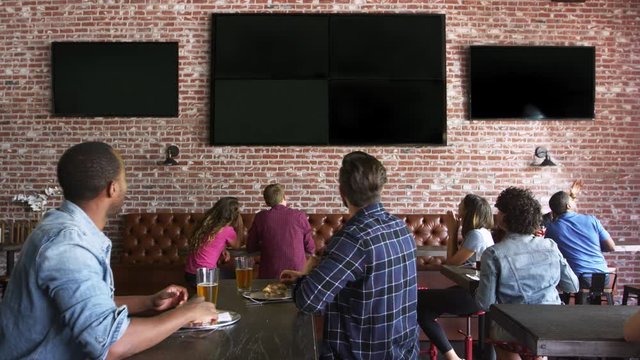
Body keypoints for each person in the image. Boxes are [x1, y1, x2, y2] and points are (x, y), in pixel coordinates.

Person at [0, 142, 217, 360]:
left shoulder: (64, 227)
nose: (126, 186)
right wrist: (186, 313)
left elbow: (86, 307)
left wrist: (149, 301)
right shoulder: (69, 245)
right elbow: (111, 344)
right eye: (125, 180)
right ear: (112, 188)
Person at [280, 151, 419, 359]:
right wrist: (313, 273)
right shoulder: (400, 227)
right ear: (380, 188)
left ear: (341, 192)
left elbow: (308, 301)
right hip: (404, 353)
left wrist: (305, 278)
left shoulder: (352, 239)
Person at [476, 187, 579, 360]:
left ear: (505, 218)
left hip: (513, 329)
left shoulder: (494, 253)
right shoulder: (550, 246)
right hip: (551, 326)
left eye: (499, 211)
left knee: (500, 329)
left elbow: (485, 304)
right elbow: (573, 285)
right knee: (539, 343)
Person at [417, 194, 494, 360]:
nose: (458, 211)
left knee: (415, 297)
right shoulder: (483, 233)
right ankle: (454, 358)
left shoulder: (476, 235)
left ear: (469, 213)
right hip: (473, 291)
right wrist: (453, 231)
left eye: (461, 208)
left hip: (474, 296)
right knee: (424, 312)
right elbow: (452, 262)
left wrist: (452, 231)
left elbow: (451, 264)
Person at [544, 182, 616, 292]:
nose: (574, 202)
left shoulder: (552, 228)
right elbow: (611, 247)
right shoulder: (592, 220)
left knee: (552, 280)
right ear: (568, 205)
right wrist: (591, 247)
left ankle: (560, 307)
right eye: (572, 201)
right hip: (604, 277)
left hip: (578, 279)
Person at [247, 183, 315, 279]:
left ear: (267, 202)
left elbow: (250, 247)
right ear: (284, 197)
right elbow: (310, 247)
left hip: (270, 273)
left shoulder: (261, 217)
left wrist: (267, 245)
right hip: (297, 273)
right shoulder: (299, 216)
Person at [185, 197, 244, 287]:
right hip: (206, 276)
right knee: (237, 276)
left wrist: (223, 248)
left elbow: (213, 241)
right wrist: (240, 224)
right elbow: (237, 245)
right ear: (233, 215)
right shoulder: (227, 230)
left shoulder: (203, 224)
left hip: (190, 275)